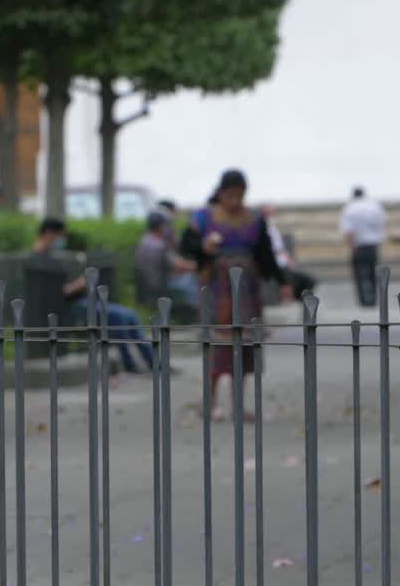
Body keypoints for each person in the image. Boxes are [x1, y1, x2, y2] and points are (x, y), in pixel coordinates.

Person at [181, 170, 290, 421]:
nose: (234, 201)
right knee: (217, 346)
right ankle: (208, 403)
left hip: (247, 292)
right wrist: (203, 247)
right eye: (230, 195)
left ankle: (239, 405)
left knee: (244, 347)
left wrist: (283, 281)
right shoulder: (203, 218)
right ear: (220, 193)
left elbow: (266, 255)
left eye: (239, 195)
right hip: (217, 290)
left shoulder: (254, 219)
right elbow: (187, 245)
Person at [33, 217, 154, 373]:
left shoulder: (53, 254)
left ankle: (153, 361)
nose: (62, 240)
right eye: (60, 236)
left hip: (81, 301)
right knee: (118, 318)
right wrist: (78, 285)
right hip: (67, 306)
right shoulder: (38, 258)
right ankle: (130, 364)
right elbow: (49, 292)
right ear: (49, 233)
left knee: (130, 315)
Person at [135, 210, 198, 307]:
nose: (171, 227)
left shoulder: (146, 239)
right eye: (168, 224)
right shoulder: (157, 244)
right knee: (194, 280)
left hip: (151, 285)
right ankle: (193, 315)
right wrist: (200, 265)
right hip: (160, 287)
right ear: (160, 226)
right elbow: (180, 264)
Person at [340, 186, 386, 307]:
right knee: (373, 274)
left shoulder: (350, 208)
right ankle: (374, 299)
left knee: (359, 275)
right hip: (373, 245)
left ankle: (363, 301)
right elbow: (381, 224)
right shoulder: (375, 206)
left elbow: (348, 229)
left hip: (358, 245)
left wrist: (352, 245)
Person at [263, 204, 317, 301]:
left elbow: (279, 247)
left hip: (281, 262)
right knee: (302, 281)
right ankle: (292, 298)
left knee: (302, 280)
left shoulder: (271, 226)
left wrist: (288, 258)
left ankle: (294, 298)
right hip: (277, 263)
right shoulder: (266, 227)